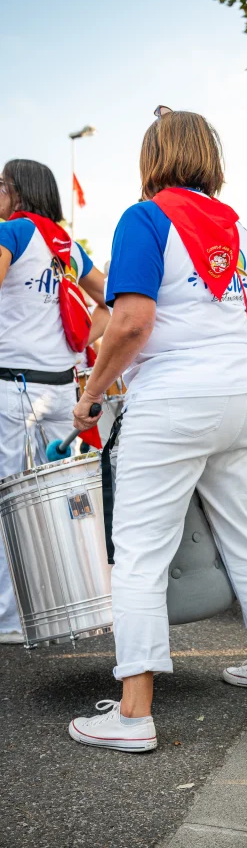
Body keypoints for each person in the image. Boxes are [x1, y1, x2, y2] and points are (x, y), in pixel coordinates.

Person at [68, 109, 247, 753]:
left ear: (152, 158)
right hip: (243, 393)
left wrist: (90, 395)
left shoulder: (145, 217)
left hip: (172, 398)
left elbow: (132, 321)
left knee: (140, 550)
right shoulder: (238, 228)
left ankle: (134, 711)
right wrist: (236, 365)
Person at [0, 159, 108, 644]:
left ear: (17, 191)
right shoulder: (68, 248)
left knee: (8, 501)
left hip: (12, 388)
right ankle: (75, 610)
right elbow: (113, 299)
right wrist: (87, 339)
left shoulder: (12, 233)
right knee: (69, 502)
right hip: (62, 389)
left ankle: (8, 618)